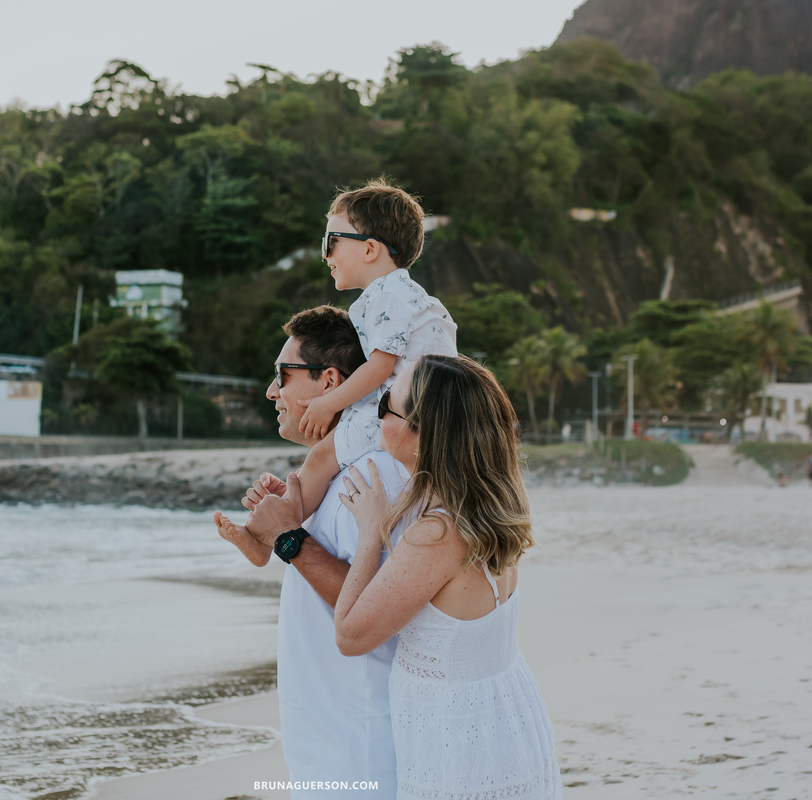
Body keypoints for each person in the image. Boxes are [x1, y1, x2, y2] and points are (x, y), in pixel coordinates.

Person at [332, 355, 561, 799]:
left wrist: (369, 533)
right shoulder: (492, 505)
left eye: (385, 406)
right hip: (505, 711)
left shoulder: (437, 533)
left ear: (423, 436)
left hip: (460, 732)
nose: (378, 416)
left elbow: (349, 635)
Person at [213, 305, 410, 797]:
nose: (271, 391)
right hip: (333, 736)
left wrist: (289, 539)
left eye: (283, 375)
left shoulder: (372, 477)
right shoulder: (339, 476)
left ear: (329, 382)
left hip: (360, 743)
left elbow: (379, 611)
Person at [291, 179, 456, 520]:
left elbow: (381, 368)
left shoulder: (387, 296)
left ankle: (274, 529)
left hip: (399, 412)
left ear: (369, 250)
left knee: (320, 458)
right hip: (428, 412)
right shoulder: (408, 295)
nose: (325, 255)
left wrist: (328, 403)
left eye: (331, 242)